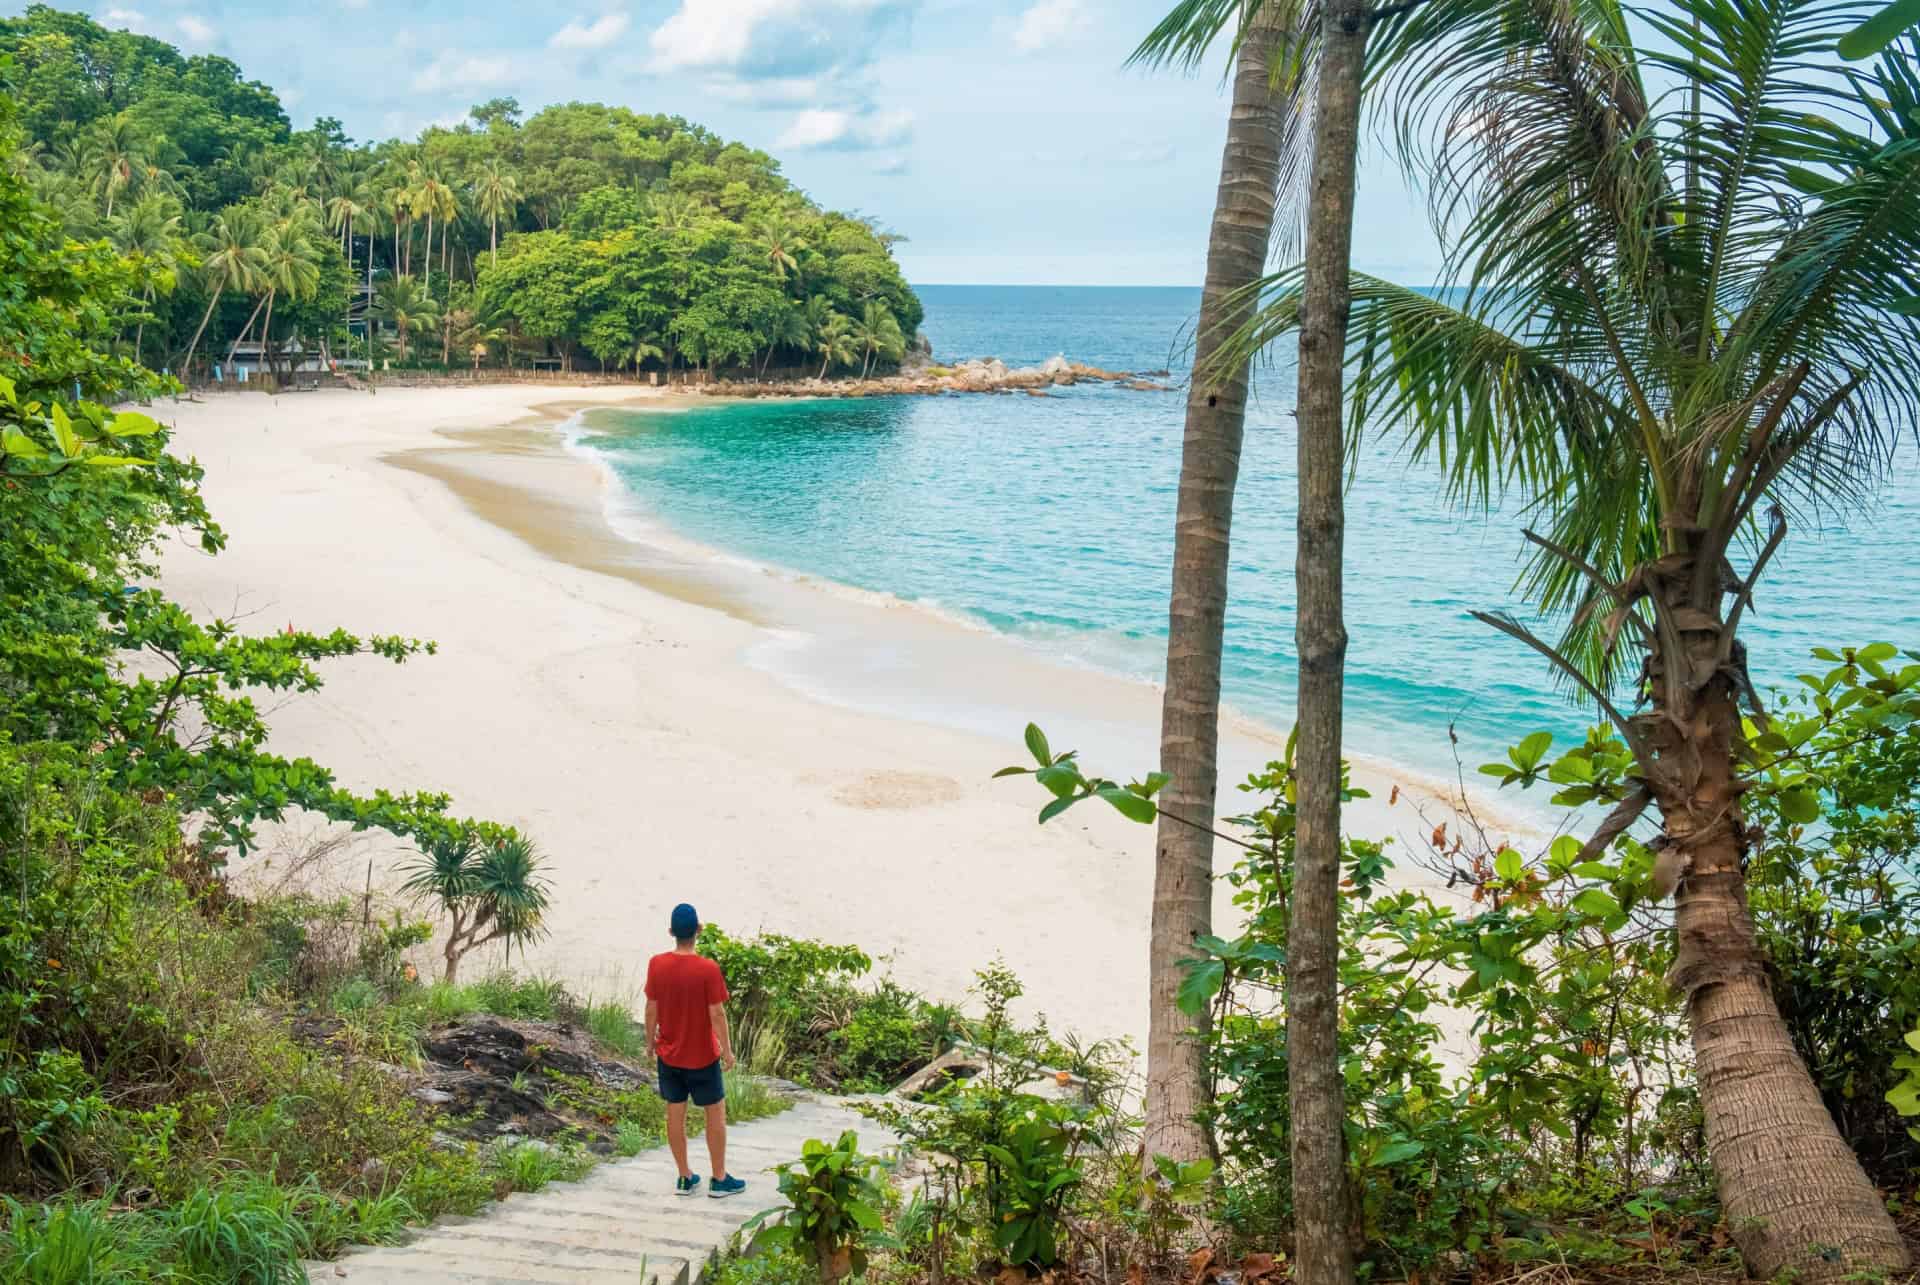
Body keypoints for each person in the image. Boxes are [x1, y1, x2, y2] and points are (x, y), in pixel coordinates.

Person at [644, 903, 744, 1198]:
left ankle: (685, 1177)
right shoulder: (708, 969)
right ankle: (719, 1178)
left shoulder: (656, 964)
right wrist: (727, 1051)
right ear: (698, 930)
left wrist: (650, 1044)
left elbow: (651, 1009)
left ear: (671, 932)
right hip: (702, 1056)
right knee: (715, 1113)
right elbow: (717, 1014)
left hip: (669, 1055)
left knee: (675, 1113)